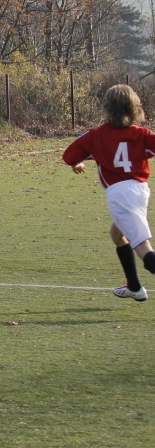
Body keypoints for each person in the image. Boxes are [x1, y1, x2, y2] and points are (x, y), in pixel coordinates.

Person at [62, 84, 155, 301]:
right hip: (140, 190)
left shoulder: (96, 135)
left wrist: (79, 162)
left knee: (144, 249)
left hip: (120, 194)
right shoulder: (141, 134)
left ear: (107, 108)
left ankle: (136, 285)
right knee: (117, 234)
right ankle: (134, 287)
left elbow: (68, 156)